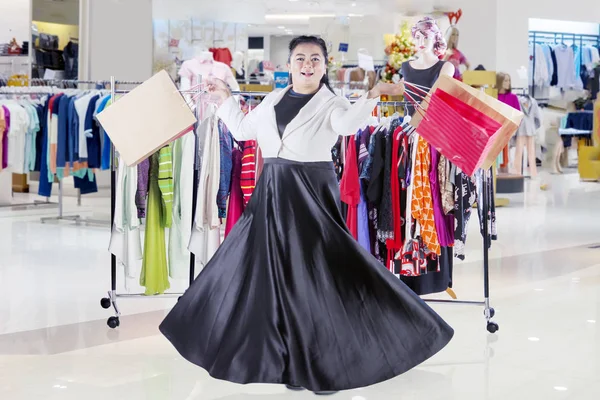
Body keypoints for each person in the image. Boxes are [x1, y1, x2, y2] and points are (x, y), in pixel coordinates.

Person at [159, 35, 454, 395]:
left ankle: (327, 362)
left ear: (324, 66)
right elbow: (241, 131)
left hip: (310, 192)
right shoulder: (272, 100)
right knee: (260, 274)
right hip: (271, 192)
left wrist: (372, 95)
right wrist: (222, 98)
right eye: (300, 58)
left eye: (315, 59)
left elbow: (347, 126)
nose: (307, 65)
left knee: (315, 278)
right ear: (289, 65)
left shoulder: (332, 102)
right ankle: (285, 358)